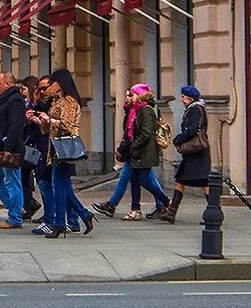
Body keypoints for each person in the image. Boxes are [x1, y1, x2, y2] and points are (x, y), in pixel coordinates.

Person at [36, 68, 95, 238]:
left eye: (53, 83)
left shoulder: (69, 101)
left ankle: (61, 223)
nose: (50, 87)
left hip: (65, 147)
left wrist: (49, 120)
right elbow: (46, 128)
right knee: (62, 186)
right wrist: (42, 121)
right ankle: (82, 215)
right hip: (55, 147)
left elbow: (68, 126)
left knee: (57, 185)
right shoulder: (56, 101)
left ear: (61, 84)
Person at [157, 85, 210, 225]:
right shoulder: (194, 109)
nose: (181, 99)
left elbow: (193, 129)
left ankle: (213, 212)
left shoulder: (196, 109)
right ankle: (172, 212)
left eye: (183, 97)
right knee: (182, 180)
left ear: (189, 97)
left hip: (197, 151)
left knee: (203, 181)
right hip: (194, 152)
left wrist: (179, 138)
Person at [0, 72, 27, 229]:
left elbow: (16, 126)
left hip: (9, 147)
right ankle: (16, 208)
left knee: (12, 182)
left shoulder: (15, 100)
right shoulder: (6, 99)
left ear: (8, 84)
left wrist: (9, 147)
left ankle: (15, 217)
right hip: (1, 147)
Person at [93, 88, 140, 220]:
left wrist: (123, 148)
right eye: (126, 96)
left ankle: (165, 203)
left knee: (147, 181)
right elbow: (128, 134)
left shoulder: (142, 111)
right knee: (128, 178)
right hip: (132, 151)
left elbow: (134, 135)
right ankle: (114, 205)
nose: (127, 98)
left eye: (131, 95)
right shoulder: (130, 111)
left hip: (139, 153)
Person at [127, 84, 171, 219]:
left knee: (143, 180)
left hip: (145, 152)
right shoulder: (138, 110)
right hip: (138, 151)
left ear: (140, 96)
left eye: (132, 94)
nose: (130, 97)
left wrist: (134, 145)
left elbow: (146, 133)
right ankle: (135, 209)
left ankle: (166, 201)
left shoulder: (146, 110)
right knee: (134, 179)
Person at [18, 76, 42, 219]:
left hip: (36, 146)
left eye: (24, 88)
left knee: (41, 180)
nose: (22, 92)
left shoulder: (38, 105)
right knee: (24, 178)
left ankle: (48, 213)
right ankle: (28, 206)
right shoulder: (24, 104)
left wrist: (31, 120)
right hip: (26, 146)